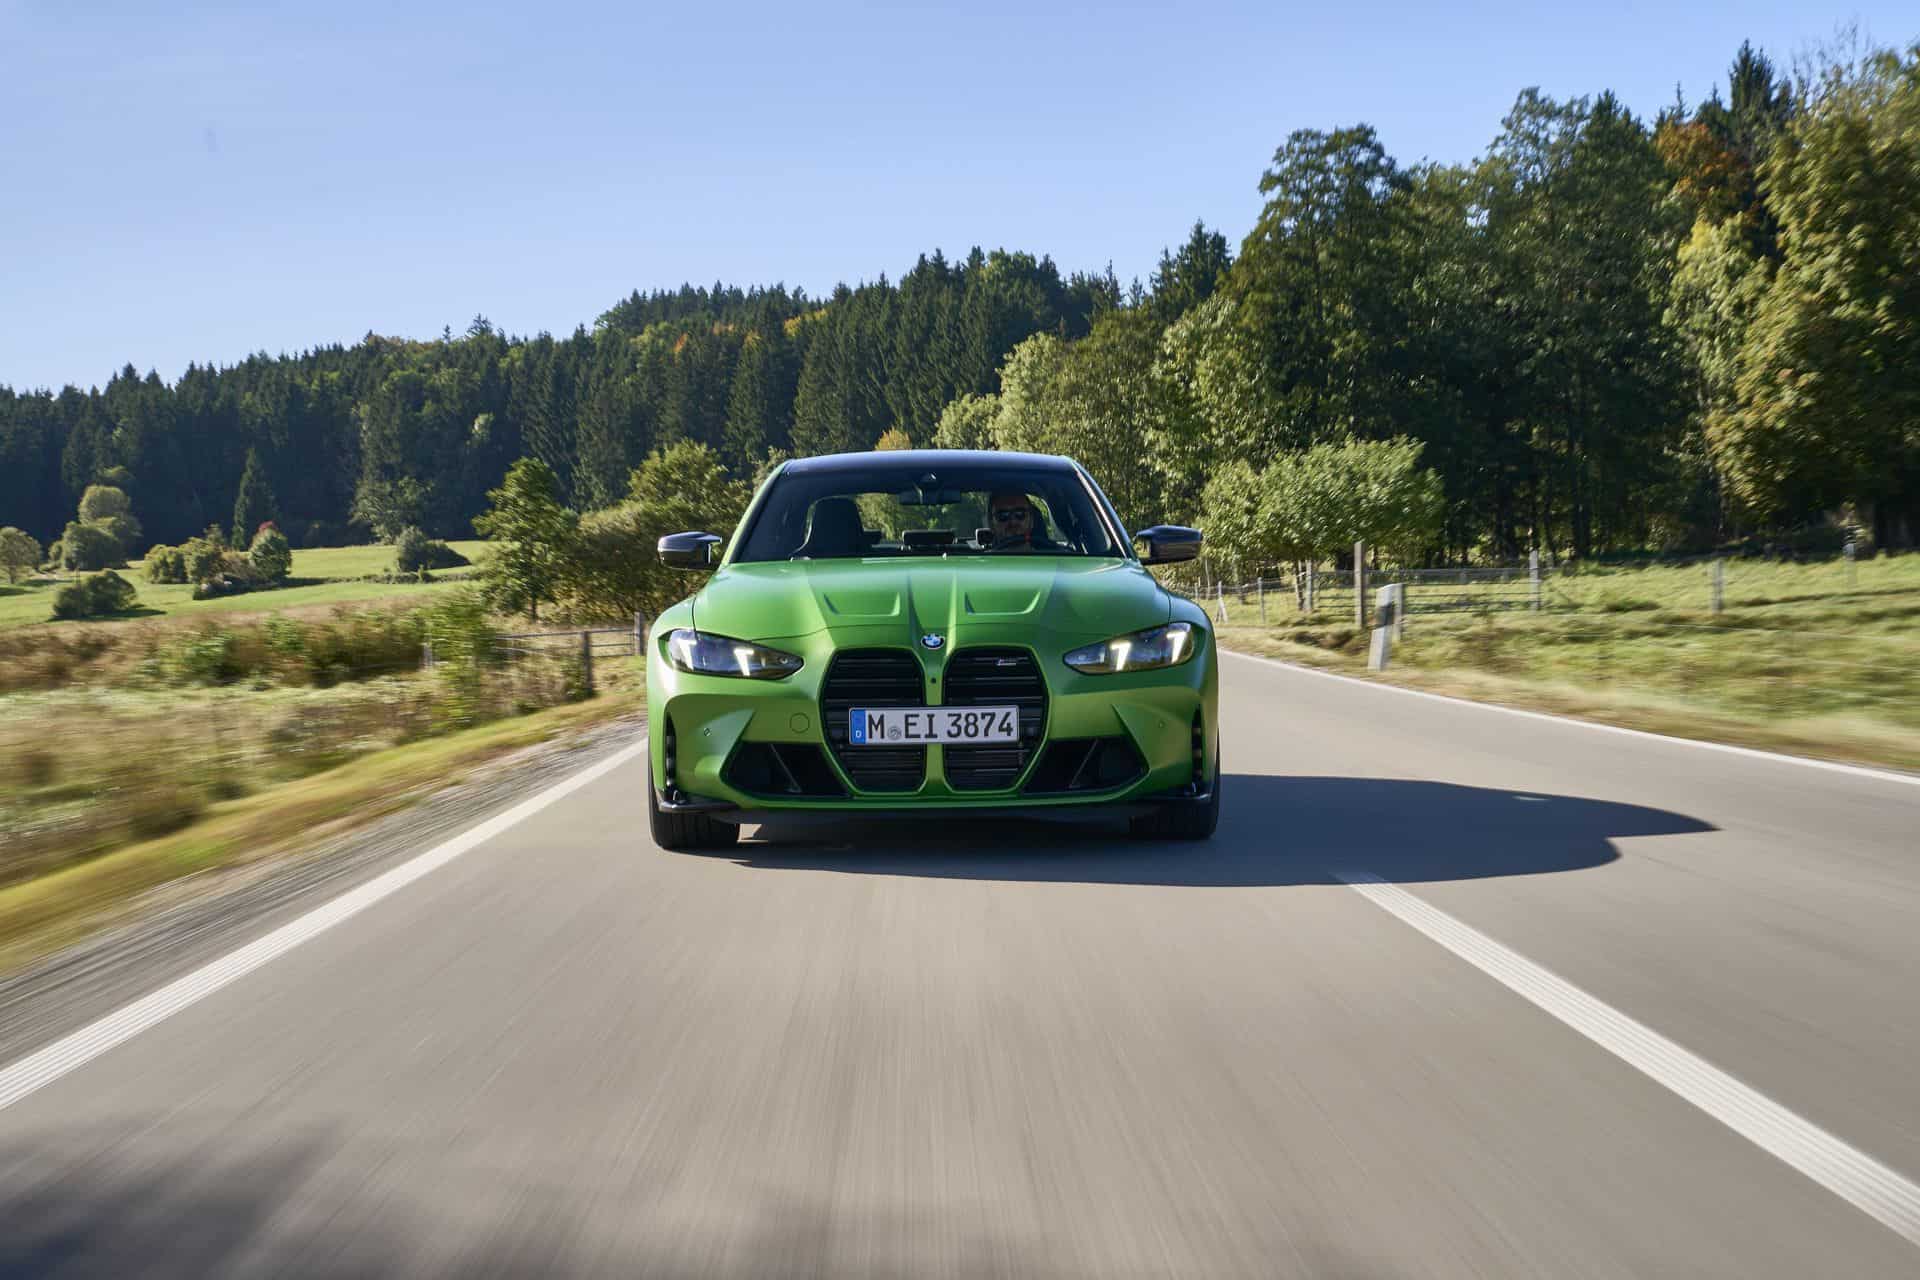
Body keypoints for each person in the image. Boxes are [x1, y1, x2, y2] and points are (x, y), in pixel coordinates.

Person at [985, 490, 1062, 553]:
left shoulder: (1058, 561)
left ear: (1031, 521)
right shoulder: (981, 566)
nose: (1013, 522)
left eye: (1020, 514)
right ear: (991, 524)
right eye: (1003, 515)